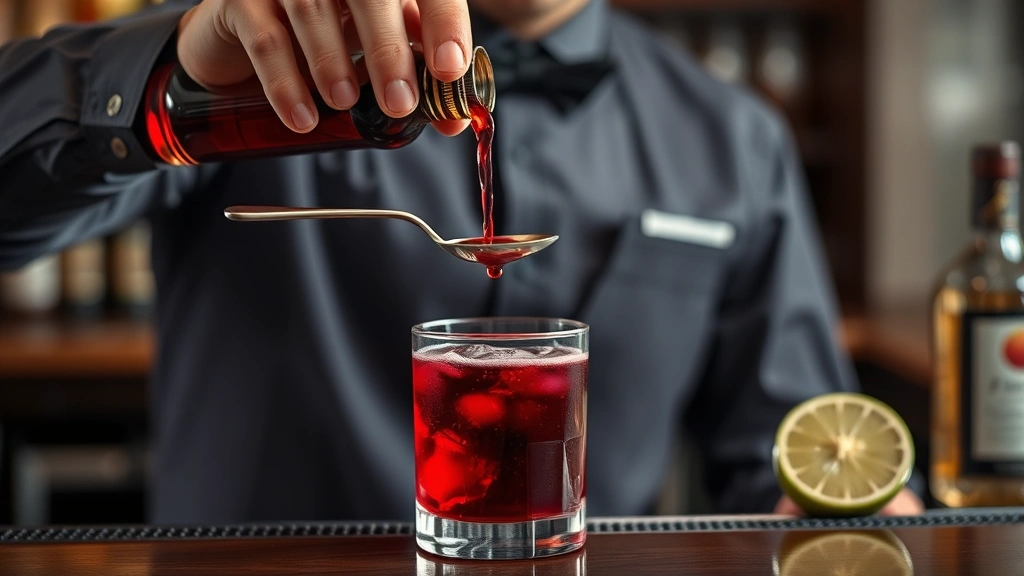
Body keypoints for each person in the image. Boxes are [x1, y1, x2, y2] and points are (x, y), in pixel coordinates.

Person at [0, 0, 923, 523]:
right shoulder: (253, 58)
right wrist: (170, 85)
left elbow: (792, 450)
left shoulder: (732, 138)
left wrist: (855, 518)